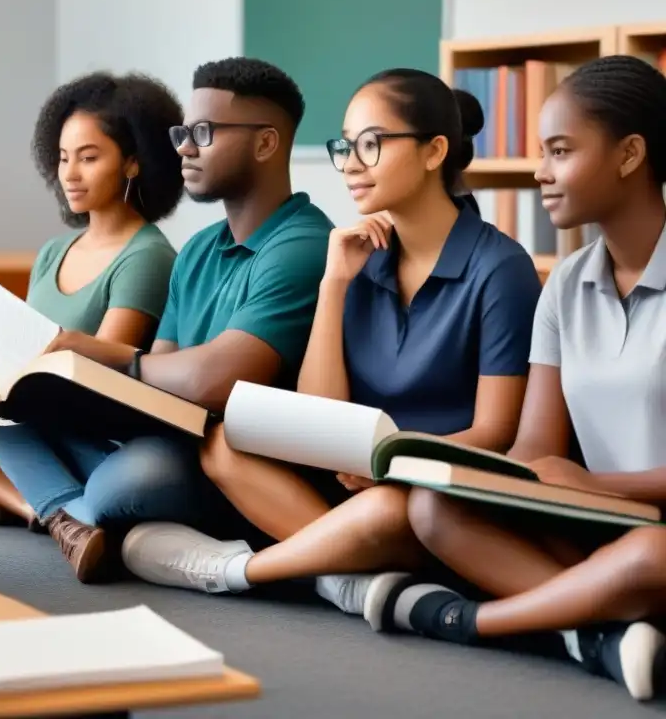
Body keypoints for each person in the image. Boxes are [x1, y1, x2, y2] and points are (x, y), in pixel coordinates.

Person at [122, 70, 543, 606]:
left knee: (392, 510)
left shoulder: (501, 268)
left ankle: (238, 570)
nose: (349, 164)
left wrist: (394, 465)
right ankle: (344, 573)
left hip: (434, 488)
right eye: (345, 146)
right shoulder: (358, 260)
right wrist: (335, 282)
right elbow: (320, 412)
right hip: (354, 482)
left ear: (435, 151)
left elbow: (497, 432)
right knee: (224, 443)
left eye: (371, 145)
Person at [366, 55, 666, 702]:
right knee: (435, 507)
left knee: (651, 560)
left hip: (649, 532)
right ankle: (601, 629)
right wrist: (438, 462)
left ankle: (470, 621)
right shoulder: (562, 283)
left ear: (630, 154)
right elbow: (534, 452)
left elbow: (574, 474)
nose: (540, 173)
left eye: (560, 151)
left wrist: (593, 483)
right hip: (598, 522)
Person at [0, 57, 334, 583]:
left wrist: (110, 355)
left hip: (243, 463)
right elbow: (165, 380)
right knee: (10, 428)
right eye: (182, 132)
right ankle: (79, 520)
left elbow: (212, 380)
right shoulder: (197, 250)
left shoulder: (303, 244)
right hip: (180, 440)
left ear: (265, 144)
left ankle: (75, 513)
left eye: (203, 132)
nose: (184, 148)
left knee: (122, 486)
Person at [0, 71, 183, 527]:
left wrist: (13, 390)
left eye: (89, 158)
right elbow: (24, 352)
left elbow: (101, 375)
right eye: (62, 158)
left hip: (88, 425)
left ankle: (44, 506)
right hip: (34, 410)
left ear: (133, 162)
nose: (70, 174)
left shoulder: (147, 255)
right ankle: (44, 514)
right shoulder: (54, 251)